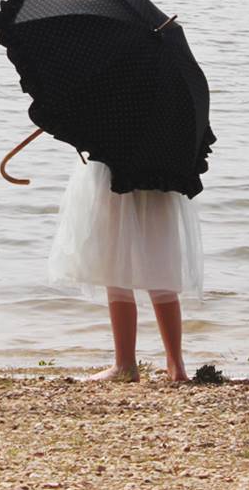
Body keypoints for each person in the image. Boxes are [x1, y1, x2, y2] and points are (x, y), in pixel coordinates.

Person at [49, 153, 203, 382]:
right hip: (160, 163)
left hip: (116, 162)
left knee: (115, 256)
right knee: (161, 258)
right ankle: (176, 365)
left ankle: (125, 363)